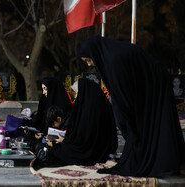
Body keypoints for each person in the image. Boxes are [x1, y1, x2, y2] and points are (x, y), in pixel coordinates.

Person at [78, 36, 185, 177]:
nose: (90, 64)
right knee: (146, 127)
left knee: (152, 125)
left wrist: (126, 126)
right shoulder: (111, 56)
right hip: (148, 84)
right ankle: (164, 162)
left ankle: (162, 163)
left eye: (88, 60)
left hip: (154, 84)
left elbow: (123, 99)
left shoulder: (113, 61)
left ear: (95, 53)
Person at [36, 78, 118, 166]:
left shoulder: (89, 111)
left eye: (77, 94)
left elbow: (85, 140)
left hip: (92, 151)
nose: (76, 97)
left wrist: (65, 140)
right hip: (100, 148)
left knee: (57, 152)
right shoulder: (96, 105)